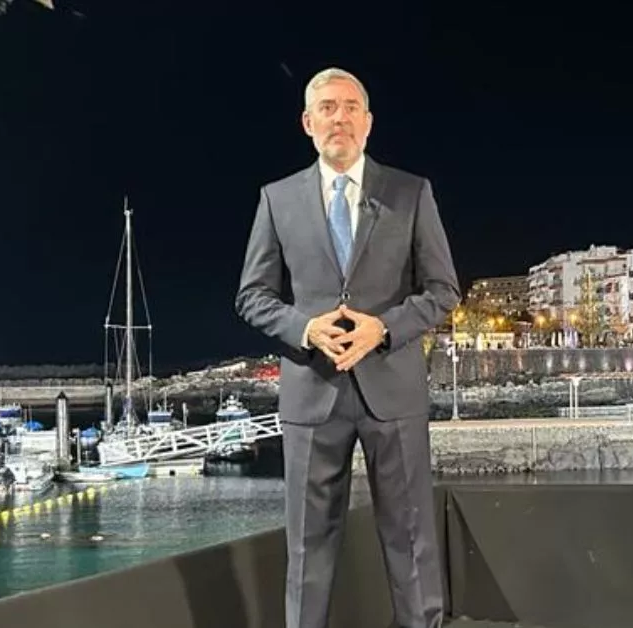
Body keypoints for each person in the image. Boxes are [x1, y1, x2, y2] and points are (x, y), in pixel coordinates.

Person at [235, 67, 459, 628]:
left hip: (393, 393)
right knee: (307, 547)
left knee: (412, 539)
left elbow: (443, 291)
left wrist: (382, 328)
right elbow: (253, 297)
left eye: (351, 107)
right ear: (308, 123)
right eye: (328, 107)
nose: (341, 117)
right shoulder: (276, 199)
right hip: (312, 396)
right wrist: (305, 328)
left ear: (369, 121)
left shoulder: (411, 193)